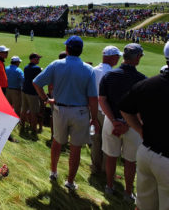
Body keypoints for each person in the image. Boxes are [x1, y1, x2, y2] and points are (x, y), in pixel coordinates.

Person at [33, 36, 99, 191]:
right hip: (81, 112)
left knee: (57, 142)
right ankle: (70, 181)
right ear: (81, 50)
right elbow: (93, 98)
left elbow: (36, 82)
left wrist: (45, 99)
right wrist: (94, 118)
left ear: (67, 49)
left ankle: (53, 172)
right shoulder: (88, 69)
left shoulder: (56, 64)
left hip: (60, 110)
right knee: (75, 148)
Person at [119, 41, 169, 210]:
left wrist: (140, 130)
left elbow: (125, 109)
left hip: (146, 153)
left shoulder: (146, 84)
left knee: (143, 205)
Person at [99, 43, 146, 201]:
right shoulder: (141, 79)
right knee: (130, 160)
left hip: (111, 122)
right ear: (137, 58)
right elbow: (140, 109)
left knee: (111, 156)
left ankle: (109, 187)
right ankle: (127, 192)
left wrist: (115, 121)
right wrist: (127, 124)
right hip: (132, 125)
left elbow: (102, 100)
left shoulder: (109, 75)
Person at [90, 46, 122, 175]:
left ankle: (95, 167)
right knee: (108, 142)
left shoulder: (93, 70)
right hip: (106, 112)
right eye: (117, 56)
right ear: (112, 57)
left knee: (95, 139)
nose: (118, 59)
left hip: (93, 111)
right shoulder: (112, 74)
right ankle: (105, 170)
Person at [21, 53, 42, 134]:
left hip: (24, 90)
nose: (38, 60)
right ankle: (34, 130)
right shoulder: (37, 68)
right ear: (32, 59)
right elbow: (39, 79)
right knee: (34, 112)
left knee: (24, 110)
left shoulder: (26, 67)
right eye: (37, 58)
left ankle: (22, 125)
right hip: (32, 92)